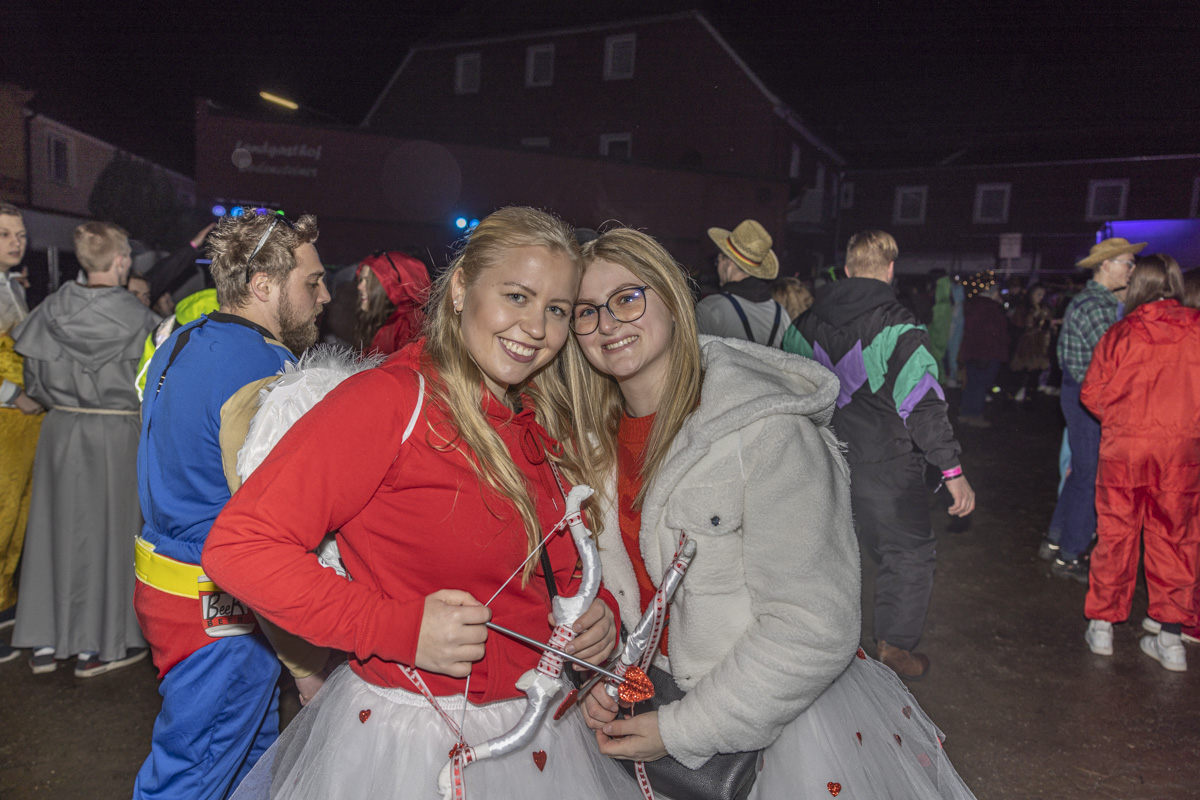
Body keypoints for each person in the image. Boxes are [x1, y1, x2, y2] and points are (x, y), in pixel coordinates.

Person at [201, 207, 637, 800]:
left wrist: (596, 615)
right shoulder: (389, 401)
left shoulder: (532, 413)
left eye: (557, 309)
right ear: (460, 289)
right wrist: (397, 627)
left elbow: (551, 563)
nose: (536, 327)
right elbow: (240, 549)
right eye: (516, 296)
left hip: (540, 734)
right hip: (417, 744)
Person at [569, 228, 976, 799]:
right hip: (643, 708)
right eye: (586, 311)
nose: (608, 323)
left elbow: (813, 625)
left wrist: (682, 729)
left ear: (675, 299)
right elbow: (621, 593)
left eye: (627, 298)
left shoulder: (769, 432)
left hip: (764, 727)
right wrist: (602, 671)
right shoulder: (587, 443)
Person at [132, 210, 331, 799]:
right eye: (312, 281)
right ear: (263, 285)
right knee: (192, 778)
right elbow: (268, 530)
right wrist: (305, 665)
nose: (324, 296)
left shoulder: (180, 338)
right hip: (222, 608)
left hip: (166, 587)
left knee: (245, 763)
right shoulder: (266, 370)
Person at [783, 230, 974, 679]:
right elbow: (923, 405)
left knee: (827, 554)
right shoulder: (901, 330)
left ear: (848, 270)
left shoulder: (800, 327)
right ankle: (895, 647)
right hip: (887, 470)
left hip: (822, 462)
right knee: (908, 553)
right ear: (890, 271)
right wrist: (951, 469)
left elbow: (786, 393)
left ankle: (814, 643)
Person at [10, 221, 158, 676]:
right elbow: (154, 386)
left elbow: (34, 381)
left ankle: (45, 641)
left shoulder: (51, 309)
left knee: (53, 532)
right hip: (118, 432)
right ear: (121, 261)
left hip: (61, 430)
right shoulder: (142, 320)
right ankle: (101, 646)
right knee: (112, 535)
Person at [1080, 255, 1200, 671]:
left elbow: (1091, 392)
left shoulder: (1121, 333)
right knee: (1177, 540)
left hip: (1125, 451)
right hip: (1180, 453)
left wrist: (1122, 418)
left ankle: (1102, 627)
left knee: (1116, 536)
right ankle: (1170, 639)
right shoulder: (1197, 329)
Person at [1048, 237, 1141, 583]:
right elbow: (1117, 362)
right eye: (1128, 263)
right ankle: (1070, 555)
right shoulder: (1098, 305)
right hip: (1090, 397)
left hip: (1078, 393)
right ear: (1106, 264)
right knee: (1090, 477)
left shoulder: (1091, 301)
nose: (1132, 270)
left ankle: (1056, 539)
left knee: (1081, 472)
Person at [0, 203, 43, 654]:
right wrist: (14, 396)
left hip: (21, 428)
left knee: (16, 514)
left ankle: (4, 600)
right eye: (5, 234)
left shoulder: (11, 284)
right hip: (5, 420)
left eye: (21, 234)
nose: (17, 242)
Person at [695, 218, 787, 346]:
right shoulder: (781, 313)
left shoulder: (710, 308)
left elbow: (693, 355)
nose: (717, 266)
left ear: (729, 263)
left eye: (719, 259)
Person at [353, 249, 431, 355]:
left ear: (389, 287)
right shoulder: (381, 320)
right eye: (361, 279)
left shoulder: (408, 325)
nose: (359, 286)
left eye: (368, 281)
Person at [957, 278, 1009, 428]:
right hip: (987, 353)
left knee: (971, 384)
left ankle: (965, 413)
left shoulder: (972, 305)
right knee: (981, 385)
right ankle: (975, 415)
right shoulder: (992, 308)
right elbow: (996, 333)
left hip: (972, 352)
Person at [1009, 283, 1053, 403]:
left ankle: (1029, 395)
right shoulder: (1024, 308)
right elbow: (1019, 325)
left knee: (1036, 370)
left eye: (1043, 295)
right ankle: (1015, 393)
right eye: (1038, 294)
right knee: (1022, 370)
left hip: (1040, 344)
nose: (1041, 297)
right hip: (1026, 344)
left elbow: (1047, 324)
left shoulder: (1044, 308)